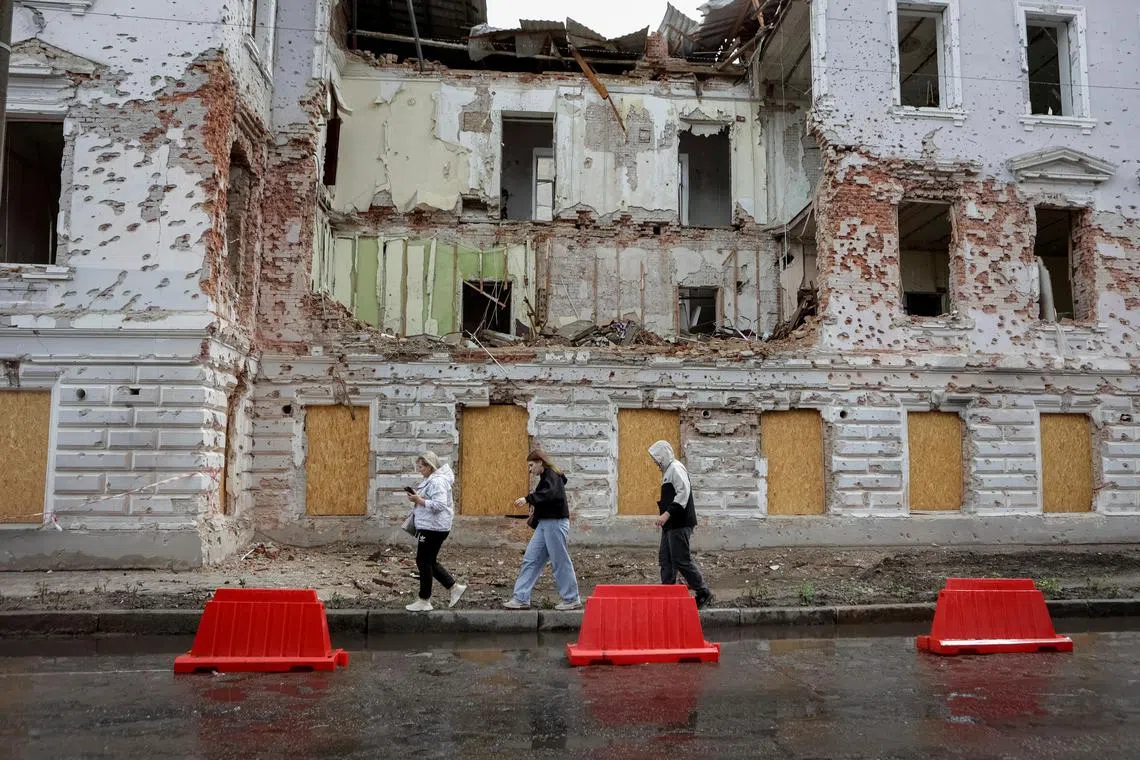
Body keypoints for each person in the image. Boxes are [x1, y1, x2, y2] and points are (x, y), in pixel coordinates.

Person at [503, 450, 582, 610]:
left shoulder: (552, 476)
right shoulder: (547, 478)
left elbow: (548, 494)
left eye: (531, 465)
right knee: (530, 559)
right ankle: (521, 598)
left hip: (555, 524)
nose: (530, 469)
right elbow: (546, 496)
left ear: (540, 462)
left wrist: (527, 499)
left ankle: (571, 599)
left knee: (559, 561)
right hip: (546, 524)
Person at [648, 440, 713, 608]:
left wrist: (666, 514)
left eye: (656, 459)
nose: (655, 462)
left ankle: (703, 591)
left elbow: (683, 493)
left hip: (679, 523)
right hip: (671, 524)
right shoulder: (669, 470)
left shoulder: (675, 468)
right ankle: (668, 594)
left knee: (681, 560)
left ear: (662, 456)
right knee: (666, 559)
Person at [404, 451, 467, 612]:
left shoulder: (437, 482)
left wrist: (419, 500)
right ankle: (453, 587)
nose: (419, 470)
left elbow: (440, 505)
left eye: (421, 467)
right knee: (429, 561)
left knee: (423, 561)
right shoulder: (431, 480)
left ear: (429, 466)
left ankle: (424, 600)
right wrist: (418, 498)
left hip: (434, 528)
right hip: (433, 526)